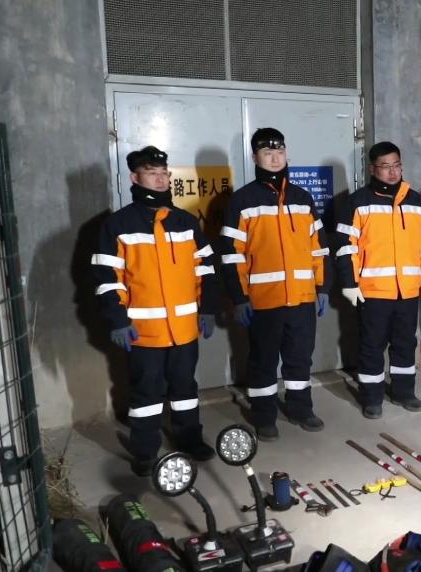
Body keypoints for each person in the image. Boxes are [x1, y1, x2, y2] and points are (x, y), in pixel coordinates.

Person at [91, 146, 220, 476]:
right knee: (146, 393)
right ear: (135, 178)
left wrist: (207, 309)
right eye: (152, 173)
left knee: (185, 389)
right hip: (144, 332)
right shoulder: (118, 225)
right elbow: (107, 277)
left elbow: (205, 268)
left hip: (184, 329)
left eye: (164, 173)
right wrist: (118, 320)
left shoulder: (185, 222)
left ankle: (190, 439)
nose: (161, 180)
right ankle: (145, 451)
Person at [219, 128, 331, 440]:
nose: (274, 158)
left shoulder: (302, 199)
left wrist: (322, 287)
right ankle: (264, 416)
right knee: (263, 361)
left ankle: (301, 409)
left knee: (300, 358)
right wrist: (239, 297)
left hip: (301, 299)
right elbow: (231, 254)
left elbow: (318, 248)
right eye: (267, 153)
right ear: (255, 157)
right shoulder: (243, 201)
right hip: (263, 301)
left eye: (279, 152)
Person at [336, 141, 421, 419]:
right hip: (373, 291)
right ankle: (371, 397)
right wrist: (349, 283)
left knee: (405, 343)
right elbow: (346, 248)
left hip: (407, 290)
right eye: (385, 167)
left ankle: (404, 392)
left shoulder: (416, 201)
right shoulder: (357, 202)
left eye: (397, 165)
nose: (393, 172)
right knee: (372, 345)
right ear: (373, 169)